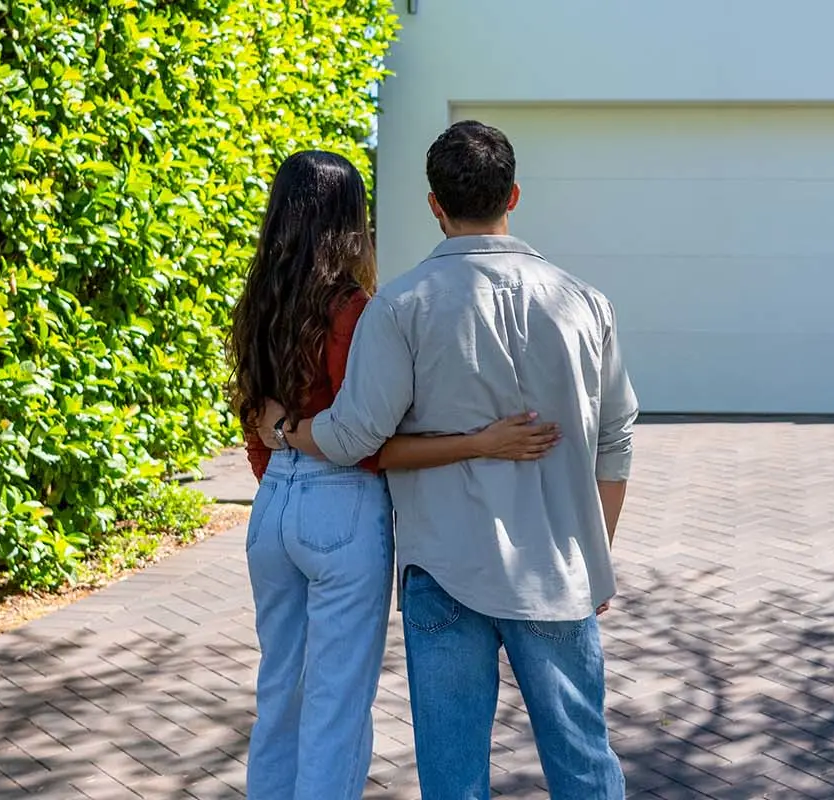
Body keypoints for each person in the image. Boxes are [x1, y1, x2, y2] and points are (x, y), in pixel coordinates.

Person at [271, 121, 638, 799]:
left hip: (443, 571)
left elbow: (354, 437)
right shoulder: (586, 304)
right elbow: (616, 441)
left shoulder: (401, 308)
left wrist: (288, 430)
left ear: (434, 204)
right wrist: (599, 550)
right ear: (515, 195)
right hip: (557, 570)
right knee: (585, 765)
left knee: (452, 780)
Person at [232, 150, 562, 800]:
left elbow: (256, 420)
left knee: (281, 699)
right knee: (336, 711)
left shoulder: (257, 303)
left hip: (273, 504)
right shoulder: (357, 312)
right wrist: (481, 441)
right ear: (351, 221)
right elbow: (370, 441)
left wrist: (280, 452)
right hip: (341, 508)